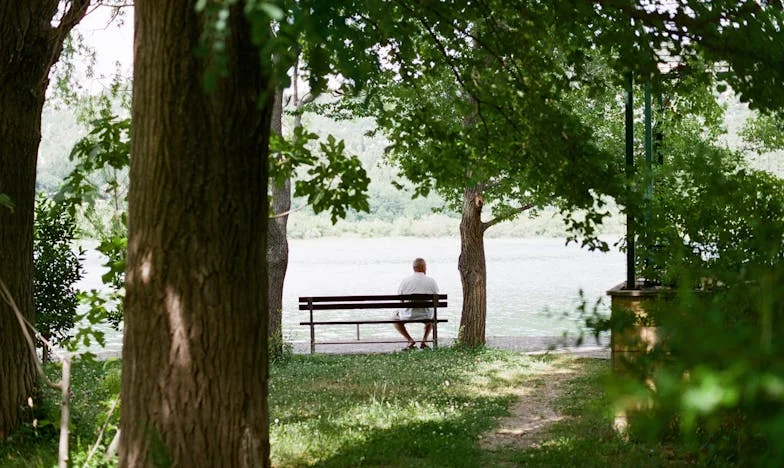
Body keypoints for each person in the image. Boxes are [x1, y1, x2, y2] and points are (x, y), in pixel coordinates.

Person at [394, 257, 439, 350]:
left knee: (394, 318)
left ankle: (410, 340)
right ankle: (424, 341)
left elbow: (401, 301)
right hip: (426, 315)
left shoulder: (405, 281)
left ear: (413, 268)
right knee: (432, 317)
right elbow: (436, 301)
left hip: (408, 315)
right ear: (424, 267)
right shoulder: (431, 281)